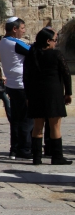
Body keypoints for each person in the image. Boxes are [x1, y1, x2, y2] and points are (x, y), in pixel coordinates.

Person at [24, 28, 72, 165]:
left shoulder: (31, 55)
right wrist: (68, 93)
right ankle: (57, 157)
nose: (55, 43)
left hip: (35, 94)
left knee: (37, 126)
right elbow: (66, 74)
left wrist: (28, 96)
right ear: (48, 41)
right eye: (55, 40)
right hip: (53, 93)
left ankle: (37, 158)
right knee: (55, 126)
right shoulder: (56, 55)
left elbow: (26, 77)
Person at [0, 16, 32, 160]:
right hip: (22, 85)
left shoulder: (3, 42)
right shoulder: (15, 43)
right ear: (14, 29)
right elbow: (33, 52)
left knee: (16, 119)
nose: (24, 32)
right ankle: (24, 149)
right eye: (22, 28)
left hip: (12, 84)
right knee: (26, 119)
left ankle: (14, 148)